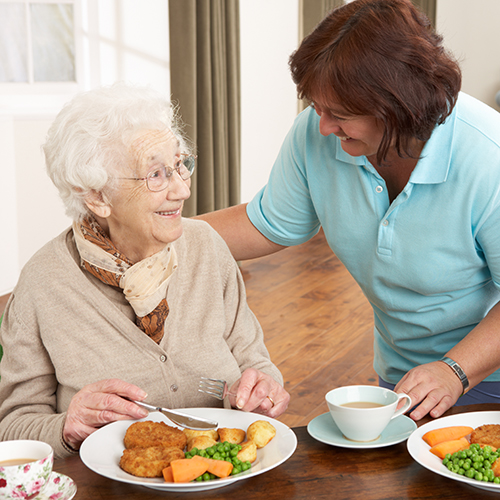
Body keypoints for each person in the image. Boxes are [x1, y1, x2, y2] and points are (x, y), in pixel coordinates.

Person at [199, 0, 500, 422]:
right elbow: (265, 223)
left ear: (397, 106)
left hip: (485, 377)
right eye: (317, 107)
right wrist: (155, 233)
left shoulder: (488, 157)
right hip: (404, 378)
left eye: (339, 114)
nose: (322, 126)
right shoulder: (317, 133)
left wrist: (454, 372)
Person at [0, 83, 289, 458]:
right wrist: (67, 427)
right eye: (155, 174)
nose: (182, 190)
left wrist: (263, 388)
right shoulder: (43, 283)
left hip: (222, 477)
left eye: (180, 165)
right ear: (97, 196)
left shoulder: (206, 247)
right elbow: (12, 427)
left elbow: (254, 361)